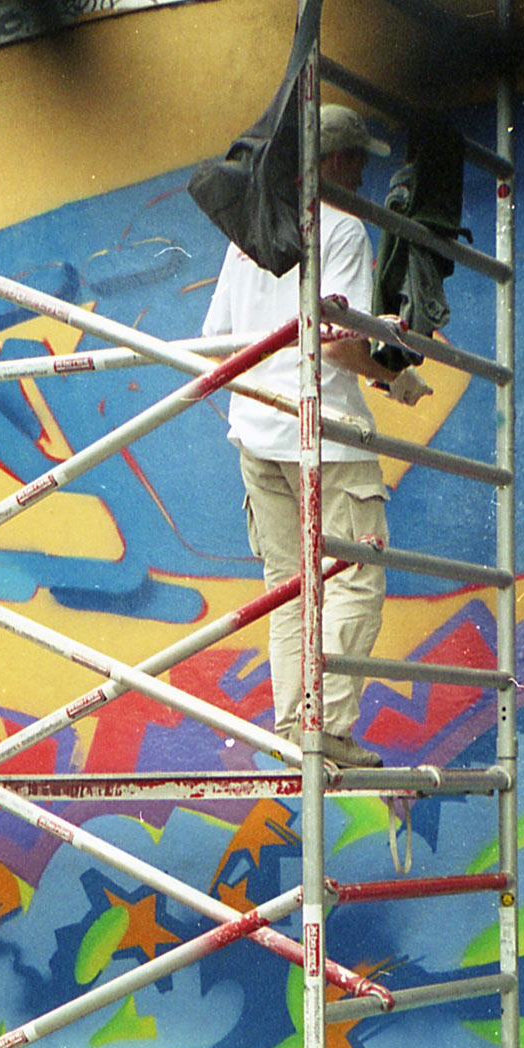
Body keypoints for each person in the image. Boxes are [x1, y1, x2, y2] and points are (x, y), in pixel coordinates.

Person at [202, 102, 432, 768]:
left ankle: (292, 730)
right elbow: (337, 345)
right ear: (332, 160)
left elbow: (217, 338)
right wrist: (394, 378)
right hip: (324, 433)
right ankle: (325, 725)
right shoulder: (342, 229)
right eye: (356, 160)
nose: (361, 175)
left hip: (256, 433)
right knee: (354, 575)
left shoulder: (250, 234)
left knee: (289, 587)